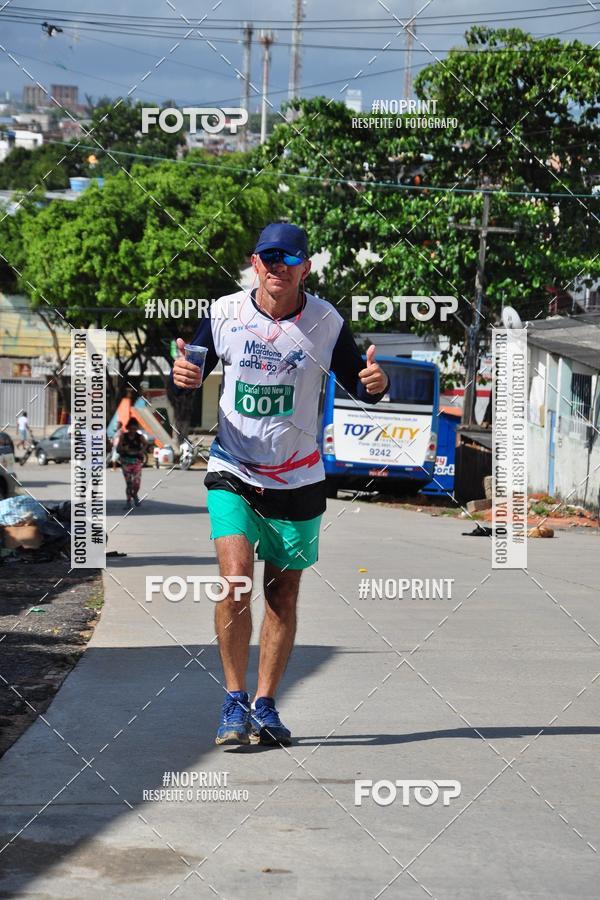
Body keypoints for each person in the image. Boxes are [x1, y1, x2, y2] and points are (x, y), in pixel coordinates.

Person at [172, 222, 388, 748]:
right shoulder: (223, 314)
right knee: (236, 581)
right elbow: (188, 383)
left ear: (305, 267)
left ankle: (266, 704)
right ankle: (233, 699)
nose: (277, 268)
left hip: (299, 477)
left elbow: (365, 387)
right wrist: (181, 379)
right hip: (234, 468)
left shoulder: (326, 323)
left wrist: (377, 387)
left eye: (288, 259)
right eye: (268, 258)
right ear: (254, 262)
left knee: (282, 595)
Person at [118, 418, 147, 509]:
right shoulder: (123, 436)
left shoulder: (140, 437)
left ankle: (134, 495)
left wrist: (141, 451)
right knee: (129, 483)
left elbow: (146, 444)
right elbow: (118, 449)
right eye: (131, 428)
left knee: (137, 483)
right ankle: (128, 501)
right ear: (128, 427)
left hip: (137, 462)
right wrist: (123, 448)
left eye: (135, 428)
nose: (133, 430)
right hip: (125, 462)